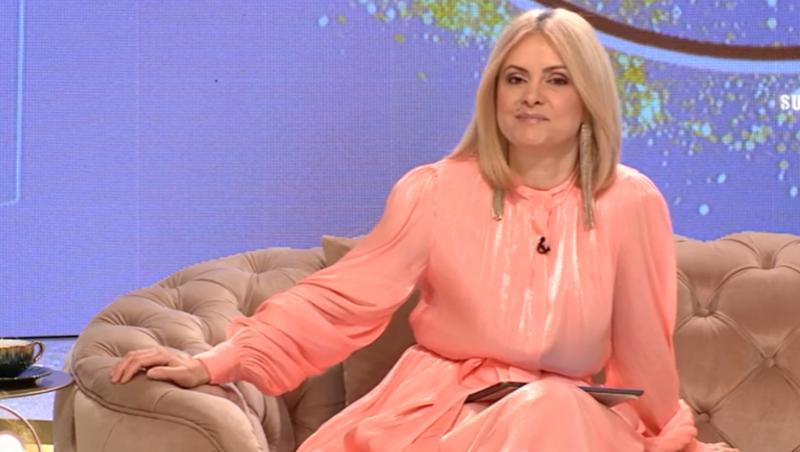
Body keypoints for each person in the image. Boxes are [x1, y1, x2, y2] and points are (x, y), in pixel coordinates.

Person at [111, 8, 738, 452]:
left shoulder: (631, 201)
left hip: (568, 420)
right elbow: (338, 301)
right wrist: (218, 361)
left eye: (557, 79)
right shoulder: (436, 190)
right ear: (494, 94)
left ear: (588, 98)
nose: (531, 96)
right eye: (515, 78)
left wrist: (669, 436)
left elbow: (644, 347)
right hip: (439, 416)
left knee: (554, 407)